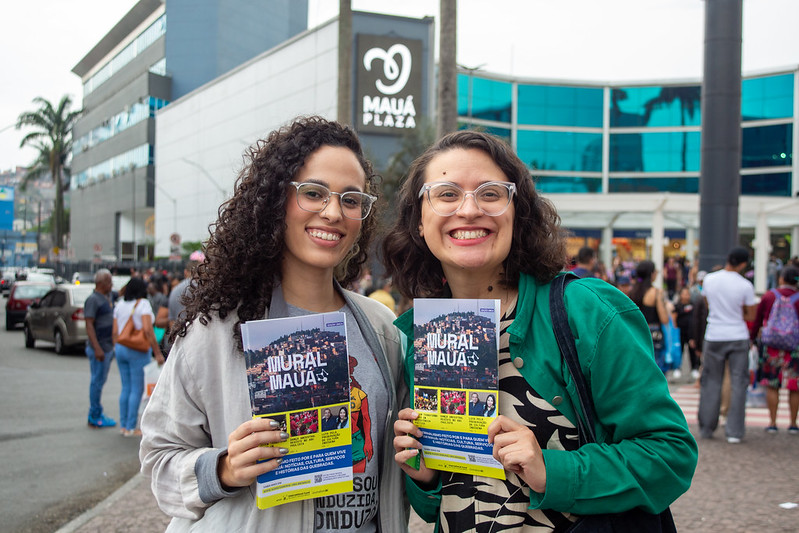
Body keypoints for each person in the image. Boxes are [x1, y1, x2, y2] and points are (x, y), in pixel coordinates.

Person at [383, 130, 696, 531]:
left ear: (518, 213)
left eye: (491, 193)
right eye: (446, 193)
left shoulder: (585, 310)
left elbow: (671, 454)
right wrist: (425, 475)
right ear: (419, 224)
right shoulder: (420, 336)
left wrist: (550, 470)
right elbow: (441, 501)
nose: (469, 209)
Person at [139, 116, 408, 531]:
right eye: (313, 193)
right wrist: (224, 469)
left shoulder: (383, 329)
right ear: (275, 201)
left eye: (351, 200)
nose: (333, 212)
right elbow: (160, 459)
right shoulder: (217, 329)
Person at [698, 247, 757, 444]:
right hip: (737, 334)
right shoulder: (745, 285)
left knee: (711, 380)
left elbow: (707, 303)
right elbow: (751, 315)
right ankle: (734, 431)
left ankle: (706, 426)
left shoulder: (709, 279)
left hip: (714, 333)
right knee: (739, 382)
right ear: (742, 264)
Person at [749, 265, 799, 434]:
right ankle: (793, 423)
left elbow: (757, 320)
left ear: (781, 278)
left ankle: (772, 422)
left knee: (772, 384)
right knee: (794, 385)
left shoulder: (769, 296)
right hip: (795, 346)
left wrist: (752, 338)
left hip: (771, 346)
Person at [113, 277, 164, 437]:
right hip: (137, 349)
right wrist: (157, 352)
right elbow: (148, 330)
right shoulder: (143, 304)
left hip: (120, 347)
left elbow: (115, 331)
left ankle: (123, 425)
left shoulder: (120, 304)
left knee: (126, 387)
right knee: (137, 388)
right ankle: (131, 427)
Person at [84, 269, 117, 428]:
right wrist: (97, 348)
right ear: (101, 283)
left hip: (107, 346)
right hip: (99, 348)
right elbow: (89, 325)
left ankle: (97, 411)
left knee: (100, 380)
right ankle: (94, 415)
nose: (111, 284)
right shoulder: (93, 300)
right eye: (109, 282)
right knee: (96, 382)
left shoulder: (108, 296)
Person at [629, 260, 670, 373]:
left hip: (636, 333)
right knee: (656, 367)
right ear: (651, 274)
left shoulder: (632, 292)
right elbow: (664, 319)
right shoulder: (656, 292)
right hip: (654, 333)